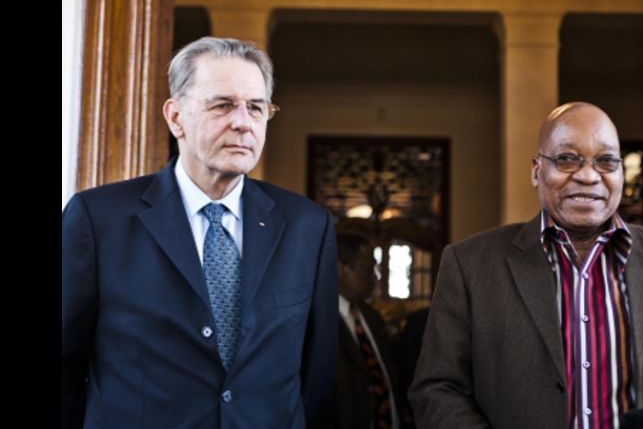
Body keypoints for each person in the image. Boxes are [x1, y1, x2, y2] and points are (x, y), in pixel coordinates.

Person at [62, 37, 339, 428]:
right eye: (222, 105)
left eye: (256, 108)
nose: (243, 121)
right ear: (176, 117)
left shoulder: (307, 226)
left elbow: (319, 376)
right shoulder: (98, 218)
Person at [409, 102, 643, 429]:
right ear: (537, 170)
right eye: (567, 159)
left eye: (606, 161)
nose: (588, 176)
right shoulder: (470, 266)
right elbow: (437, 390)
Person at [332, 232, 411, 429]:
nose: (375, 276)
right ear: (341, 269)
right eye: (366, 269)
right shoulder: (318, 321)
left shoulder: (372, 317)